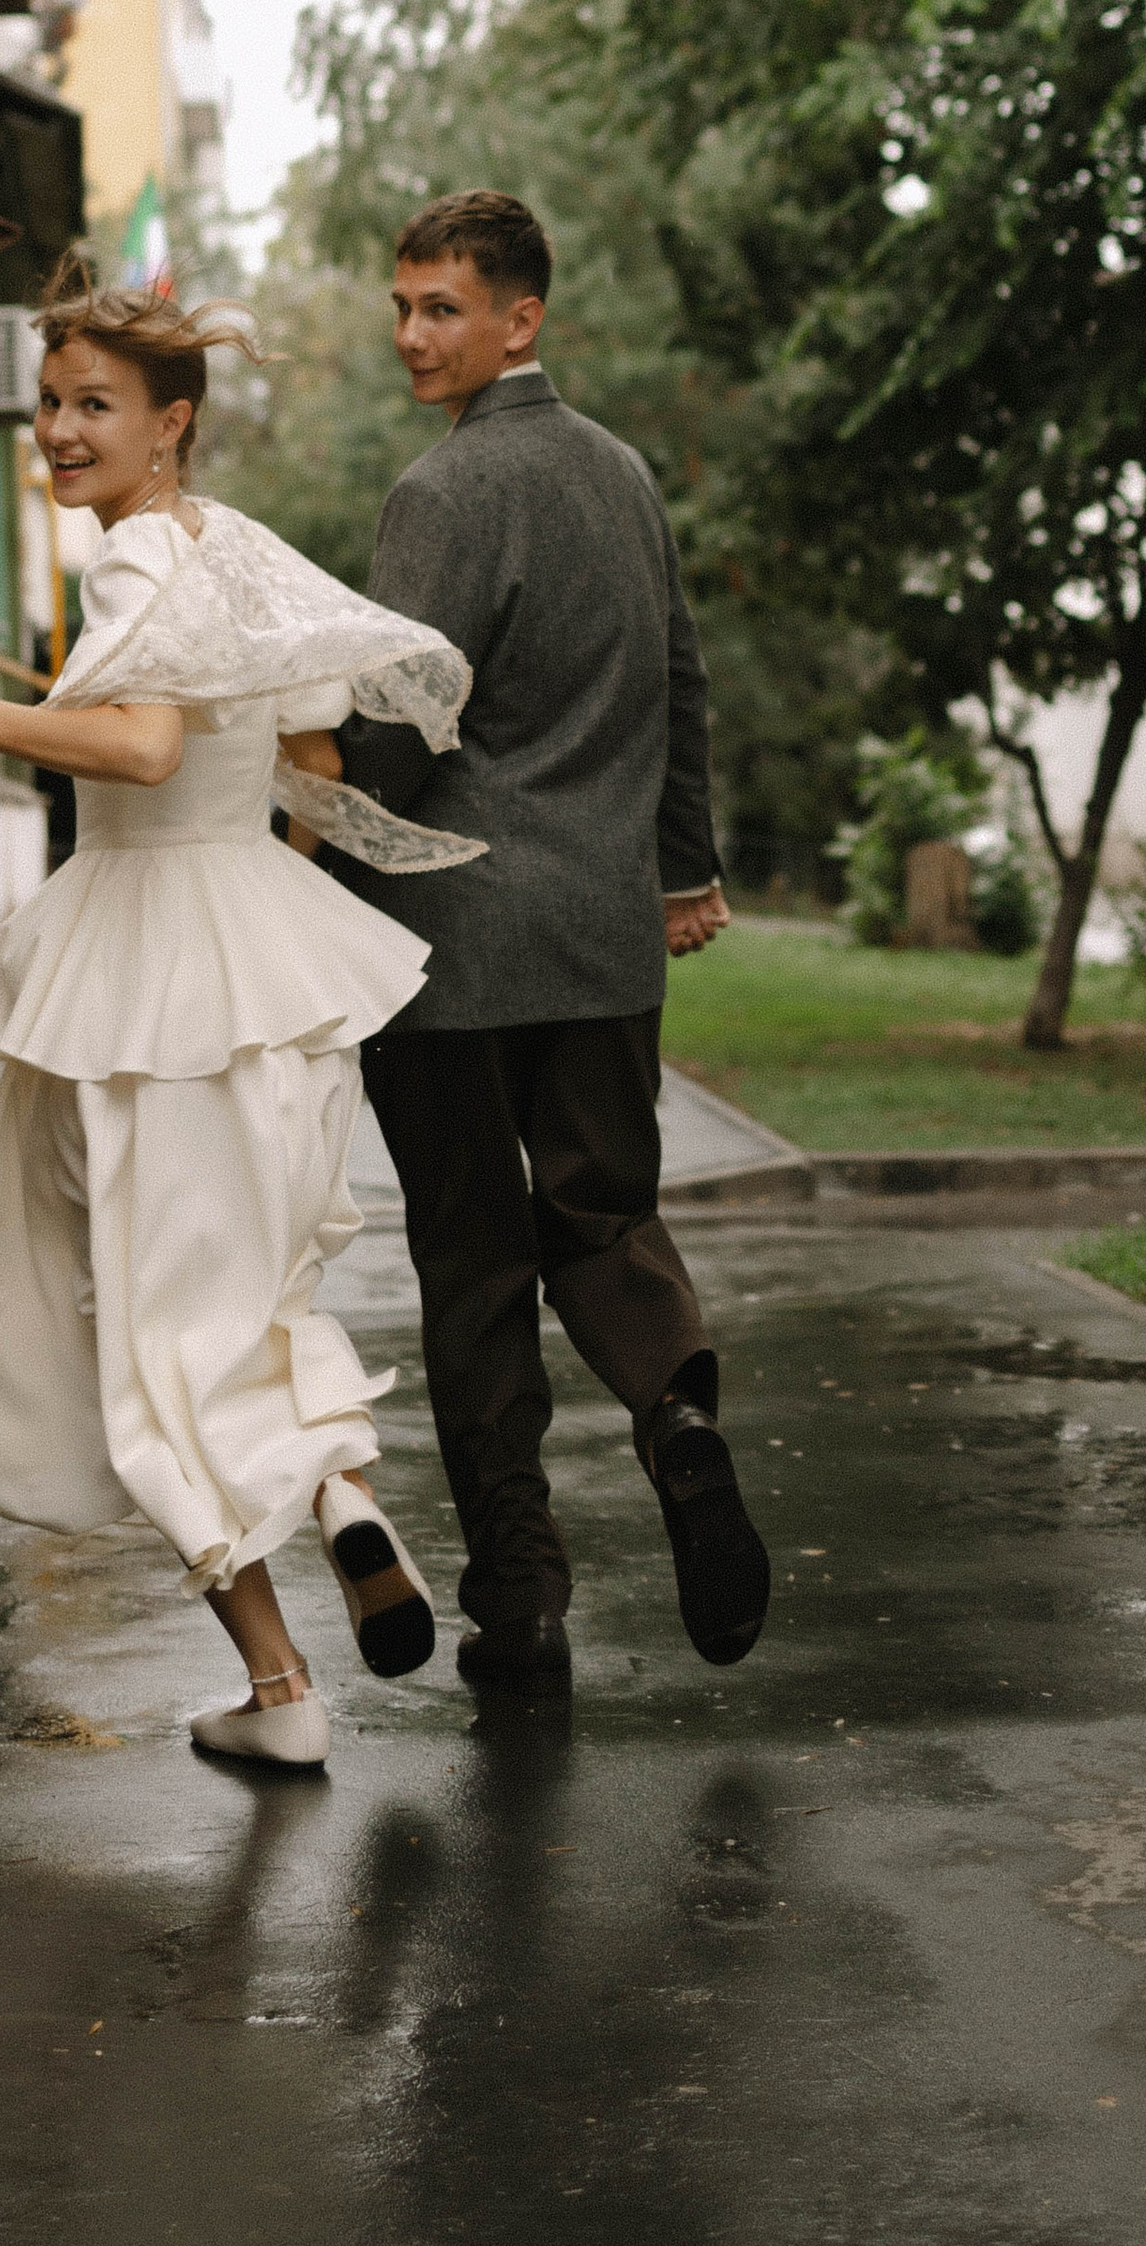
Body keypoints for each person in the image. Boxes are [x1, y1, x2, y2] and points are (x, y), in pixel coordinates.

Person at [0, 267, 483, 1773]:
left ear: (171, 424)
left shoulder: (139, 558)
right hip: (254, 960)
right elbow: (313, 745)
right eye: (53, 405)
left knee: (139, 1334)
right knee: (250, 1305)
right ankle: (327, 1534)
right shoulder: (234, 549)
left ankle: (289, 1660)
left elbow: (139, 744)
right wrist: (258, 932)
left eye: (97, 407)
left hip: (149, 978)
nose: (63, 433)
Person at [326, 188, 771, 1690]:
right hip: (593, 941)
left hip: (448, 949)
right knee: (602, 1216)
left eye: (441, 307)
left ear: (522, 316)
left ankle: (519, 1591)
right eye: (403, 306)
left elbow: (396, 724)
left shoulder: (441, 494)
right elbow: (683, 679)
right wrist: (679, 865)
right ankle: (678, 1420)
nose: (412, 335)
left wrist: (310, 834)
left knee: (470, 1263)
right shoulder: (624, 475)